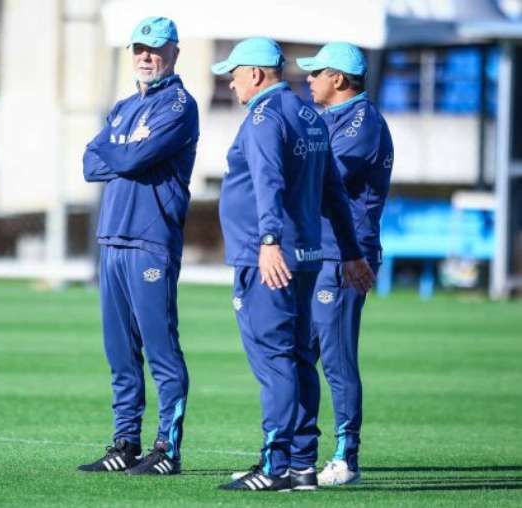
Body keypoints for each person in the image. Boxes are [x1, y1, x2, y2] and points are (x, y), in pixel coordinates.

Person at [210, 38, 375, 492]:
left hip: (268, 259)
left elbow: (268, 181)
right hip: (307, 256)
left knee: (275, 359)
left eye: (236, 71)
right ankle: (303, 463)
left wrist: (268, 240)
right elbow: (333, 195)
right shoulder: (310, 116)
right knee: (300, 358)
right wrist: (352, 252)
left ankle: (275, 464)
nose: (231, 80)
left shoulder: (265, 117)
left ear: (258, 74)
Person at [77, 16, 199, 476]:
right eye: (139, 50)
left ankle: (168, 449)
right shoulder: (125, 106)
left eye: (155, 49)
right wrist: (120, 150)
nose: (146, 57)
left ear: (174, 52)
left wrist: (118, 149)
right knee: (120, 353)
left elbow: (129, 156)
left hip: (151, 240)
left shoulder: (179, 105)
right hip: (112, 240)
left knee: (161, 350)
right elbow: (90, 163)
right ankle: (125, 442)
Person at [296, 42, 394, 486]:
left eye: (316, 73)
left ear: (339, 78)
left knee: (336, 359)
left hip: (343, 256)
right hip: (319, 252)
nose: (309, 79)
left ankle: (345, 456)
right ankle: (294, 457)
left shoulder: (362, 122)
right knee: (299, 356)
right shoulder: (329, 118)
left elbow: (321, 177)